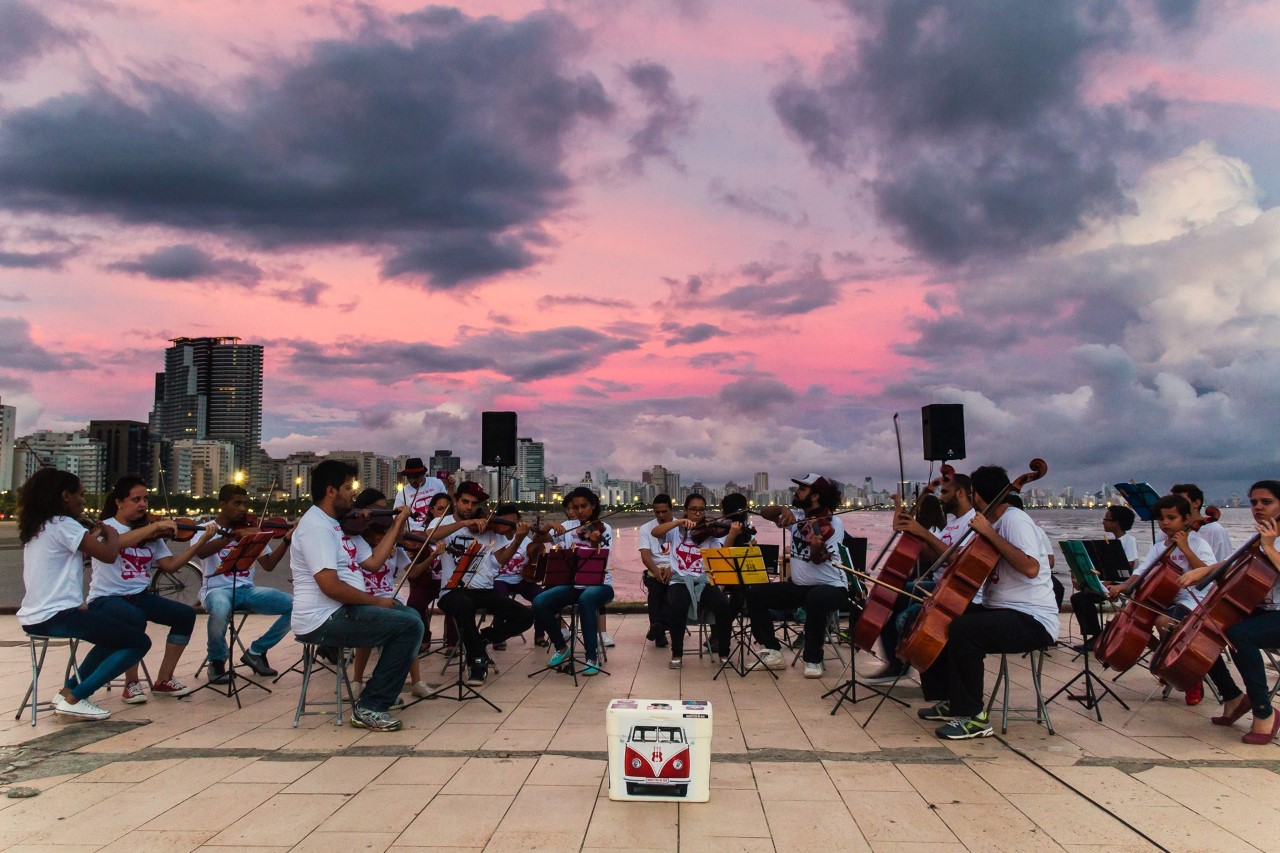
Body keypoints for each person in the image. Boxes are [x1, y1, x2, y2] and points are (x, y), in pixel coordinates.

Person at [917, 465, 1059, 740]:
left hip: (1032, 618)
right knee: (947, 618)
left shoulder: (1014, 521)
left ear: (977, 494)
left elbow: (1031, 568)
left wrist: (990, 535)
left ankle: (974, 718)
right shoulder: (992, 523)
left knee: (965, 630)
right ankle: (955, 700)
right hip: (1004, 610)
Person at [289, 459, 424, 731]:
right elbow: (330, 586)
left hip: (339, 611)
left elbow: (374, 562)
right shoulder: (317, 527)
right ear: (331, 491)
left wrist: (397, 524)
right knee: (409, 626)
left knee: (410, 616)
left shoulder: (338, 525)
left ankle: (376, 695)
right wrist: (377, 601)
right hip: (322, 618)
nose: (353, 493)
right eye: (349, 487)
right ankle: (370, 706)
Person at [16, 469, 151, 720]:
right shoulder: (64, 524)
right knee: (139, 642)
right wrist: (111, 534)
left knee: (116, 633)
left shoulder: (42, 525)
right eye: (80, 495)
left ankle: (68, 690)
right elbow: (109, 555)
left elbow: (80, 548)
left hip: (37, 615)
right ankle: (77, 697)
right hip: (57, 616)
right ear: (65, 496)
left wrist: (97, 535)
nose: (83, 501)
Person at [87, 475, 218, 702]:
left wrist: (199, 543)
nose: (143, 505)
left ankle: (164, 679)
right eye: (136, 499)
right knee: (134, 618)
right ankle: (132, 683)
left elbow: (170, 566)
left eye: (145, 499)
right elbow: (117, 543)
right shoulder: (106, 527)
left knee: (185, 615)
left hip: (139, 595)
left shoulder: (150, 531)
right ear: (119, 501)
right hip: (107, 598)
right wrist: (154, 527)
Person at [1177, 480, 1280, 744]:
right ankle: (1233, 697)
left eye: (1266, 502)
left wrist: (1270, 546)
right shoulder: (1261, 535)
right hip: (1266, 613)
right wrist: (1203, 571)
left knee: (1240, 634)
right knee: (1210, 626)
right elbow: (1234, 561)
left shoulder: (1269, 539)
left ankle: (1264, 713)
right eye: (1254, 502)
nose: (1257, 507)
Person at [1105, 494, 1215, 704]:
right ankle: (1165, 661)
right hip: (1164, 600)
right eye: (1161, 518)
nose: (1164, 523)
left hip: (1193, 601)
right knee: (1135, 623)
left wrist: (1184, 548)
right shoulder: (1158, 546)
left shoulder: (1198, 544)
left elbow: (1208, 573)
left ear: (1186, 520)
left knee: (1163, 621)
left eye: (1171, 518)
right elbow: (1142, 571)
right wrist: (1123, 586)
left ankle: (1191, 679)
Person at [748, 474, 851, 678]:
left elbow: (819, 559)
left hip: (832, 587)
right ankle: (773, 651)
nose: (796, 492)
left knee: (816, 598)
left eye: (802, 489)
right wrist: (781, 509)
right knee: (756, 593)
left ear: (815, 496)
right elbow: (764, 512)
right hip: (800, 586)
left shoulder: (834, 524)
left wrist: (815, 548)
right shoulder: (796, 518)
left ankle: (813, 659)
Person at [865, 482, 965, 684]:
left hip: (927, 577)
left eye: (918, 507)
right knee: (888, 605)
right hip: (919, 576)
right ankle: (896, 659)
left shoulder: (936, 530)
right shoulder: (928, 528)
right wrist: (898, 507)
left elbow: (933, 557)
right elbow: (898, 526)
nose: (915, 510)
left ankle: (898, 661)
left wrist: (919, 537)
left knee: (893, 605)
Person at [194, 484, 294, 684]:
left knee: (297, 606)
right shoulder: (206, 529)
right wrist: (232, 537)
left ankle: (257, 651)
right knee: (221, 609)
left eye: (245, 504)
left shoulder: (250, 531)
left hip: (247, 589)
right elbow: (201, 552)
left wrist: (286, 541)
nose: (242, 509)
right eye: (236, 503)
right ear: (222, 504)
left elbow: (269, 565)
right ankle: (217, 661)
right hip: (216, 590)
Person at [436, 490, 535, 686]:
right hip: (453, 590)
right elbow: (430, 536)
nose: (469, 507)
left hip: (485, 590)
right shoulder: (443, 523)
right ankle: (477, 663)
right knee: (463, 606)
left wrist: (518, 540)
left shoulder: (490, 531)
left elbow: (501, 560)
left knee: (525, 616)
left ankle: (483, 639)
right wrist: (464, 524)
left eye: (474, 504)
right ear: (456, 501)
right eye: (465, 502)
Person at [344, 488, 431, 699]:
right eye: (380, 510)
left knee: (413, 620)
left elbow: (414, 572)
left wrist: (428, 555)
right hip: (364, 597)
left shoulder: (393, 543)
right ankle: (357, 681)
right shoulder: (356, 543)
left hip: (390, 597)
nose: (386, 515)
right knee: (369, 627)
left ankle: (417, 681)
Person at [532, 487, 615, 675]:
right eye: (576, 507)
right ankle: (562, 648)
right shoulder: (569, 526)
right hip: (574, 584)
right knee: (540, 602)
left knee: (587, 599)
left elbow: (601, 555)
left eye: (584, 506)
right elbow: (538, 539)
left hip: (601, 585)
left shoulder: (604, 528)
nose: (579, 511)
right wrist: (547, 527)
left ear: (593, 505)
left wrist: (594, 542)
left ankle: (591, 657)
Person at [649, 493, 734, 668]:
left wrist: (731, 535)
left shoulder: (710, 532)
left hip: (703, 579)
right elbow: (655, 532)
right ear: (686, 510)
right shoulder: (674, 530)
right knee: (678, 605)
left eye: (701, 510)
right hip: (680, 579)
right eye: (693, 509)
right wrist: (678, 522)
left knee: (723, 606)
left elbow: (719, 557)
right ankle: (677, 653)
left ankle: (724, 652)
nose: (697, 513)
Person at [1068, 505, 1137, 653]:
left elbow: (1128, 568)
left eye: (1106, 519)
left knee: (1082, 598)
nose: (1103, 522)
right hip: (1111, 582)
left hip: (1121, 584)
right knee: (1079, 596)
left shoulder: (1128, 541)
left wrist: (1110, 582)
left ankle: (1097, 636)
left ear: (1116, 523)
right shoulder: (1111, 542)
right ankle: (1096, 635)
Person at [490, 505, 547, 649]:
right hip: (498, 579)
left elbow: (532, 562)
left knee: (541, 598)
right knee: (500, 598)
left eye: (514, 522)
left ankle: (540, 634)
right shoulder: (493, 538)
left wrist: (537, 546)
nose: (510, 526)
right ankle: (498, 636)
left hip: (520, 579)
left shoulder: (526, 540)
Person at [403, 493, 453, 650]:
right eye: (440, 509)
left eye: (447, 510)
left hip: (449, 581)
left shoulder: (454, 532)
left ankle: (452, 641)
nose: (443, 513)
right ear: (431, 510)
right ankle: (424, 637)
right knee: (414, 602)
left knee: (455, 600)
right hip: (428, 581)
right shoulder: (422, 532)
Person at [637, 495, 674, 649]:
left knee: (672, 593)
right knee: (655, 592)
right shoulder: (646, 528)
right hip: (655, 569)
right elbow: (645, 556)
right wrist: (656, 571)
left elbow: (683, 554)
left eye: (664, 512)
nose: (660, 515)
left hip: (675, 568)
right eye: (657, 512)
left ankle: (658, 626)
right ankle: (659, 630)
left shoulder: (679, 526)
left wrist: (672, 569)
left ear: (671, 510)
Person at [1171, 483, 1232, 561]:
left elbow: (1223, 563)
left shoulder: (1214, 530)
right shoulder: (1168, 530)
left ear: (1196, 503)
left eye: (1180, 501)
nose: (1175, 506)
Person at [393, 458, 451, 526]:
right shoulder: (402, 493)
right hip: (414, 533)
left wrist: (451, 488)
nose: (412, 481)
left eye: (415, 477)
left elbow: (449, 505)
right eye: (409, 477)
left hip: (438, 528)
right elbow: (396, 517)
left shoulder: (436, 482)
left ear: (423, 474)